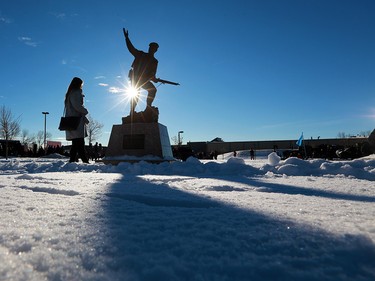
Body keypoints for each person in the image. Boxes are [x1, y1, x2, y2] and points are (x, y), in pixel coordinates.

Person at [123, 28, 159, 114]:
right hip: (135, 79)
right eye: (150, 47)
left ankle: (148, 107)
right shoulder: (141, 54)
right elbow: (131, 49)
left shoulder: (155, 61)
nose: (151, 49)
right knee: (136, 94)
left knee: (153, 90)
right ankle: (132, 111)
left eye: (153, 48)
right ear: (149, 48)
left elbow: (152, 75)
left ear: (156, 50)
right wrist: (127, 38)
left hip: (144, 80)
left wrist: (155, 79)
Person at [64, 77, 90, 163]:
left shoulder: (70, 93)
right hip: (76, 120)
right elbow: (77, 106)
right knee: (79, 142)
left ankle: (73, 160)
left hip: (73, 120)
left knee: (76, 143)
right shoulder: (75, 93)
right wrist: (85, 111)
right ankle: (84, 161)